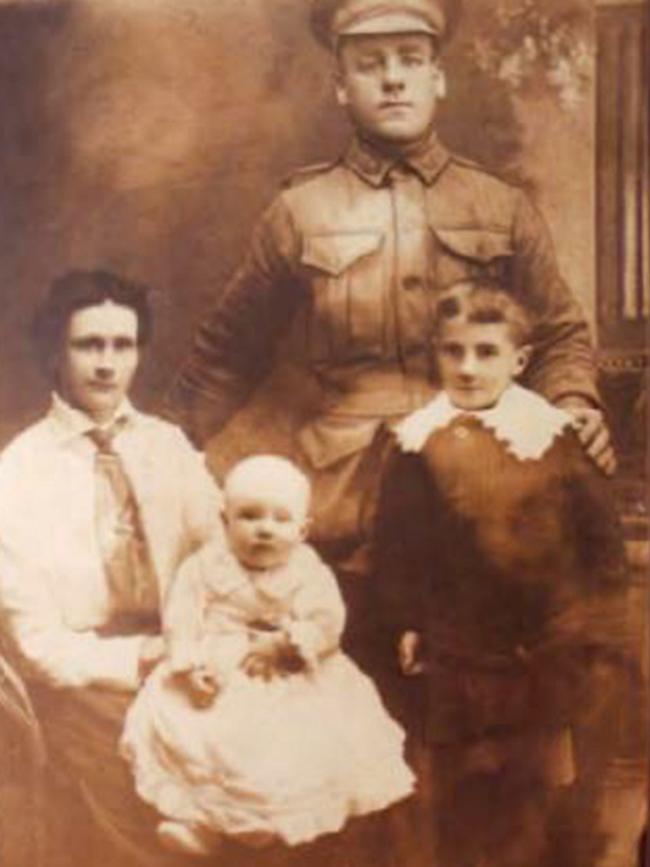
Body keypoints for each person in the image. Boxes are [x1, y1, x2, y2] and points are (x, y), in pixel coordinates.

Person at [165, 0, 614, 667]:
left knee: (490, 700)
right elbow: (224, 357)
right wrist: (164, 458)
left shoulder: (500, 206)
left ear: (439, 79)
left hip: (479, 496)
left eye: (411, 61)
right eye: (371, 66)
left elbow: (558, 335)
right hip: (343, 502)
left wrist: (575, 400)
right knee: (349, 691)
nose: (394, 80)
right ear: (341, 87)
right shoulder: (299, 212)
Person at [373, 282, 646, 867]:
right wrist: (406, 621)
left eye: (487, 352)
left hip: (546, 648)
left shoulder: (554, 437)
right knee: (461, 795)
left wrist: (590, 632)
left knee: (543, 793)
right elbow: (396, 547)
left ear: (520, 360)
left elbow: (600, 548)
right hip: (456, 649)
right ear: (437, 353)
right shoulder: (415, 441)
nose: (468, 368)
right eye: (454, 351)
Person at [0, 270, 224, 866]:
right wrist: (142, 660)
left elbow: (220, 562)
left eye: (121, 346)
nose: (106, 365)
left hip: (189, 656)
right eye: (87, 345)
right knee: (142, 825)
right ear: (55, 351)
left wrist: (200, 647)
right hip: (92, 677)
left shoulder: (168, 447)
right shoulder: (18, 472)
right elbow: (41, 644)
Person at [120, 454, 414, 858]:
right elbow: (181, 619)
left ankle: (283, 828)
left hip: (289, 671)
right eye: (250, 516)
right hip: (220, 667)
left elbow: (327, 620)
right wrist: (189, 666)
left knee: (300, 743)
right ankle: (204, 822)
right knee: (207, 739)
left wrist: (287, 643)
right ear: (224, 521)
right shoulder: (204, 566)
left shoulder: (308, 570)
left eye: (280, 519)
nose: (264, 530)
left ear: (303, 530)